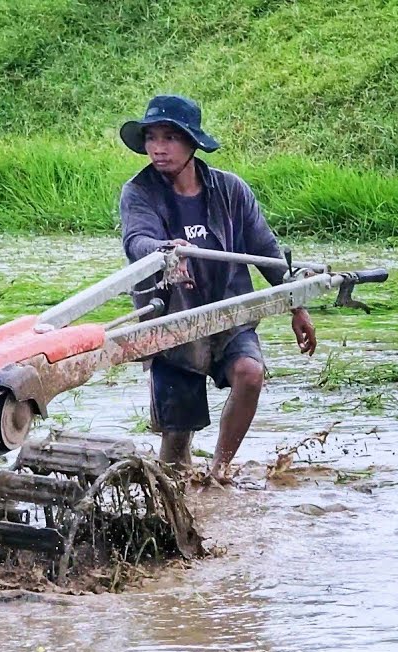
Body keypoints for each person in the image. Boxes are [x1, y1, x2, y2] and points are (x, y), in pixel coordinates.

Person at [118, 94, 317, 483]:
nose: (158, 148)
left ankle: (220, 472)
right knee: (176, 445)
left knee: (250, 373)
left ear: (193, 143)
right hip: (173, 325)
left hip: (229, 314)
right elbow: (137, 241)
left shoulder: (229, 190)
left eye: (170, 138)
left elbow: (266, 252)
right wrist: (165, 252)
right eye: (152, 138)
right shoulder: (139, 192)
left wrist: (297, 305)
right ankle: (179, 497)